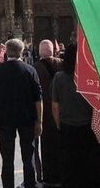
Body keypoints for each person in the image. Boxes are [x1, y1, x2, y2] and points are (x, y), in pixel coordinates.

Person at [50, 43, 100, 188]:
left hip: (68, 127)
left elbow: (55, 106)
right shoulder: (91, 76)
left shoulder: (59, 77)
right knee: (92, 168)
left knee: (71, 168)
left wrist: (59, 124)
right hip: (90, 127)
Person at [0, 38, 43, 188]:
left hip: (5, 119)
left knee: (7, 159)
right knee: (28, 157)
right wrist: (39, 121)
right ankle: (29, 184)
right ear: (22, 51)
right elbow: (38, 99)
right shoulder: (30, 70)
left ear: (6, 52)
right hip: (27, 118)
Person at [33, 39, 62, 187]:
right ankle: (64, 173)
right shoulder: (61, 64)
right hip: (62, 113)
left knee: (47, 147)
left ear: (39, 52)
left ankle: (50, 177)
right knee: (62, 145)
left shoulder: (35, 68)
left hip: (44, 114)